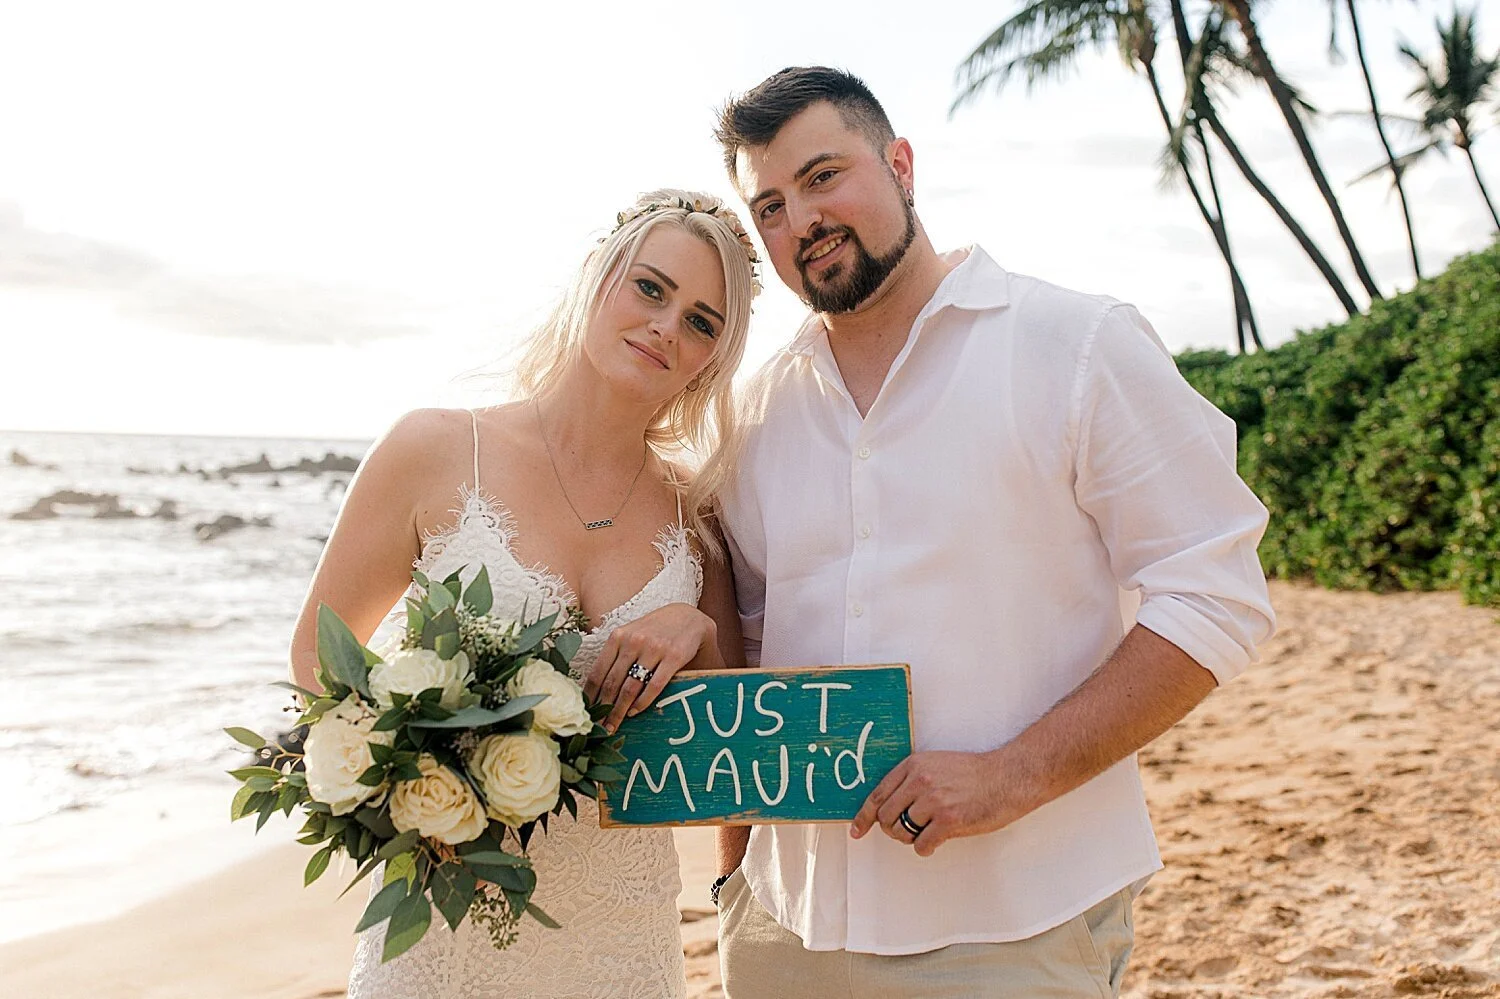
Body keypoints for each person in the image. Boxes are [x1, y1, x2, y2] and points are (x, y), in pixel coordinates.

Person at [709, 68, 1277, 998]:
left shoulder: (1077, 344)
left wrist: (1013, 775)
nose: (799, 219)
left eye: (823, 176)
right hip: (785, 925)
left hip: (1018, 923)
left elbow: (1215, 592)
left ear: (900, 165)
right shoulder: (759, 410)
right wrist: (737, 877)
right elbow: (756, 646)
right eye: (768, 204)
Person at [287, 189, 758, 999]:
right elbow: (317, 661)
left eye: (702, 321)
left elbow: (731, 754)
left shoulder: (697, 512)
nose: (666, 327)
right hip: (446, 922)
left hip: (622, 930)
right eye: (650, 288)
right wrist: (424, 786)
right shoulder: (433, 448)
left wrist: (696, 631)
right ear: (597, 277)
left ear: (714, 356)